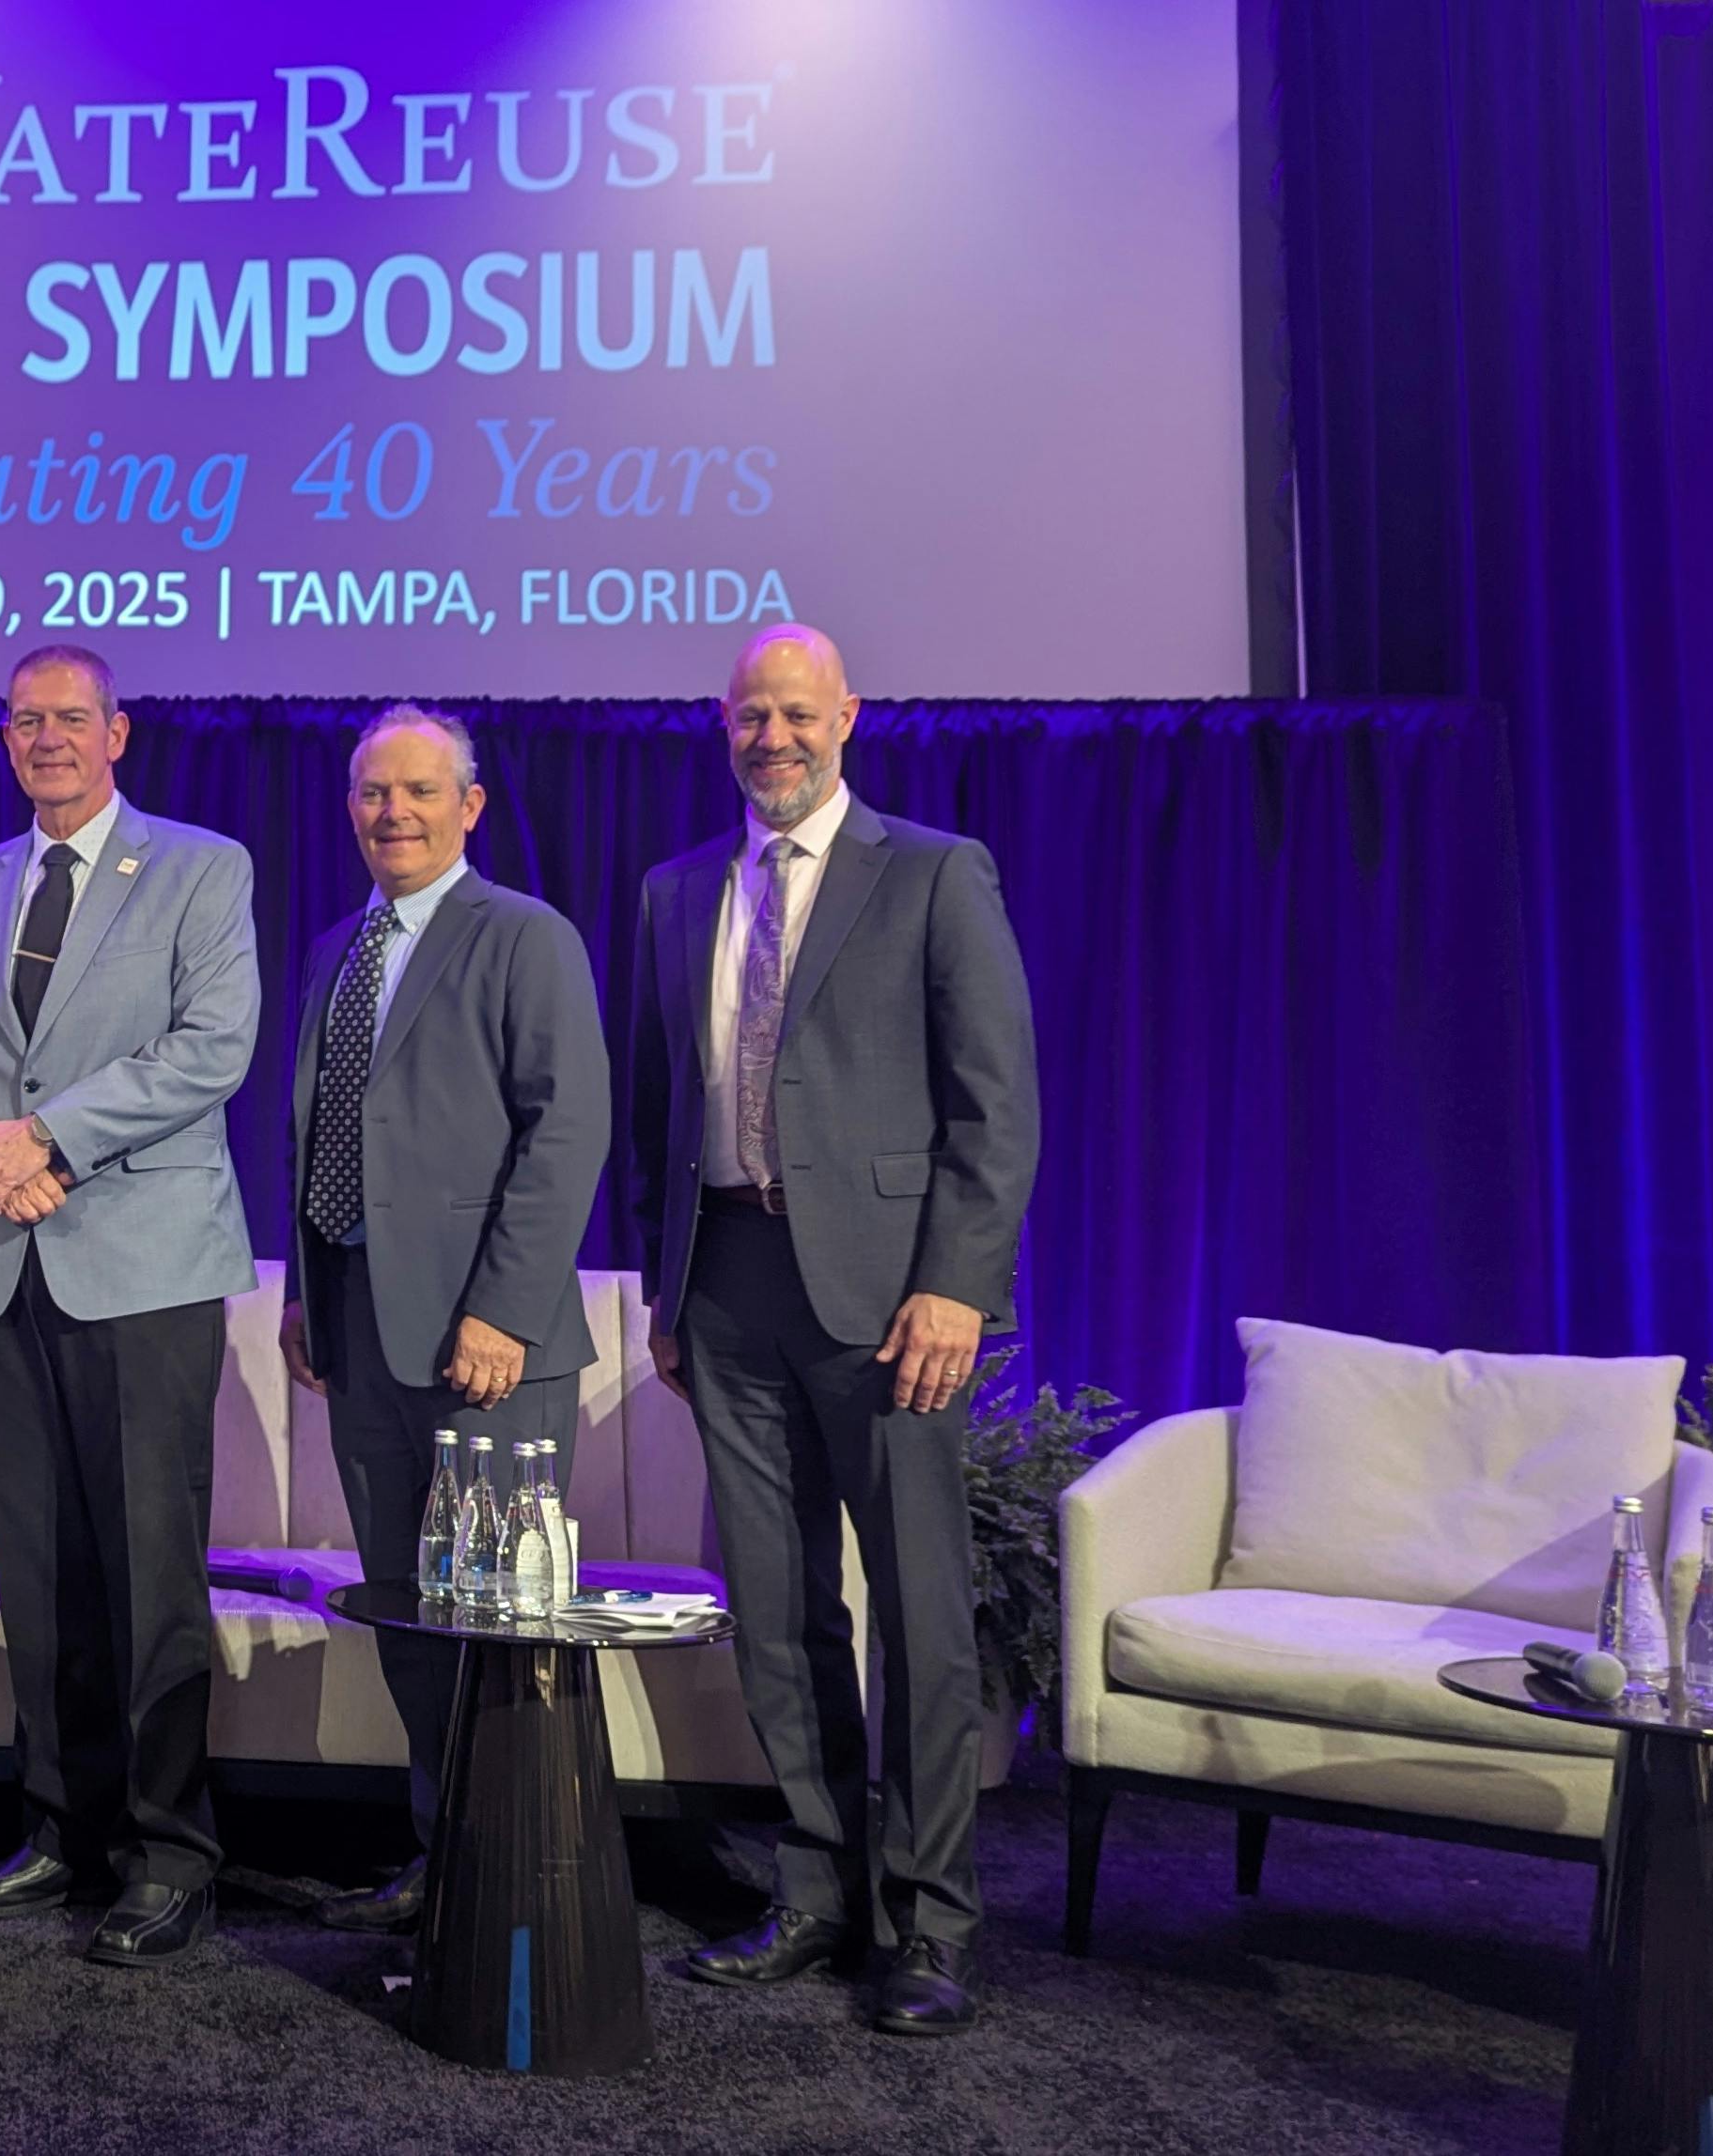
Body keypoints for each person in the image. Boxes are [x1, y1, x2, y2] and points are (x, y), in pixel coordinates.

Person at [625, 624, 1037, 2036]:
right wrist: (666, 1294)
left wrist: (958, 1283)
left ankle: (927, 1922)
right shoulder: (677, 890)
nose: (776, 737)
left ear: (847, 716)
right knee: (776, 1603)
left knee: (919, 1610)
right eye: (754, 716)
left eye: (798, 713)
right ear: (724, 725)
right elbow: (657, 1113)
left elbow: (995, 1104)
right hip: (727, 1282)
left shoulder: (933, 872)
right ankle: (816, 1888)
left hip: (892, 1299)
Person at [0, 644, 261, 1968]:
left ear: (118, 732)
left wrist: (46, 1137)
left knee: (150, 1566)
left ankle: (171, 1852)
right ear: (5, 741)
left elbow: (212, 1046)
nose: (46, 737)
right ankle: (59, 1826)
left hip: (143, 1264)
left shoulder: (201, 867)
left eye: (70, 717)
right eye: (24, 721)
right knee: (39, 1562)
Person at [275, 706, 612, 1933]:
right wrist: (308, 1298)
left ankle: (524, 1877)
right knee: (413, 1615)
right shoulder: (338, 948)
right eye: (375, 792)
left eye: (421, 790)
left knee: (503, 1623)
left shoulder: (525, 935)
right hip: (362, 1331)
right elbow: (320, 1138)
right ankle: (447, 1857)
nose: (395, 812)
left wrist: (503, 1309)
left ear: (469, 806)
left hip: (487, 1344)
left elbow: (566, 1131)